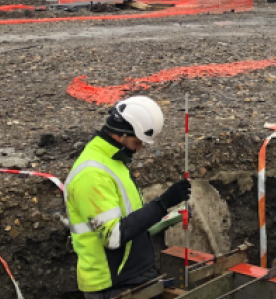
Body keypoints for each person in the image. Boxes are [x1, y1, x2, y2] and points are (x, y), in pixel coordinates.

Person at [65, 96, 192, 299]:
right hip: (112, 285)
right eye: (137, 142)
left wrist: (167, 214)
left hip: (132, 277)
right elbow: (113, 237)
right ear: (121, 135)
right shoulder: (91, 175)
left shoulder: (113, 162)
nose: (139, 148)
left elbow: (130, 219)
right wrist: (163, 203)